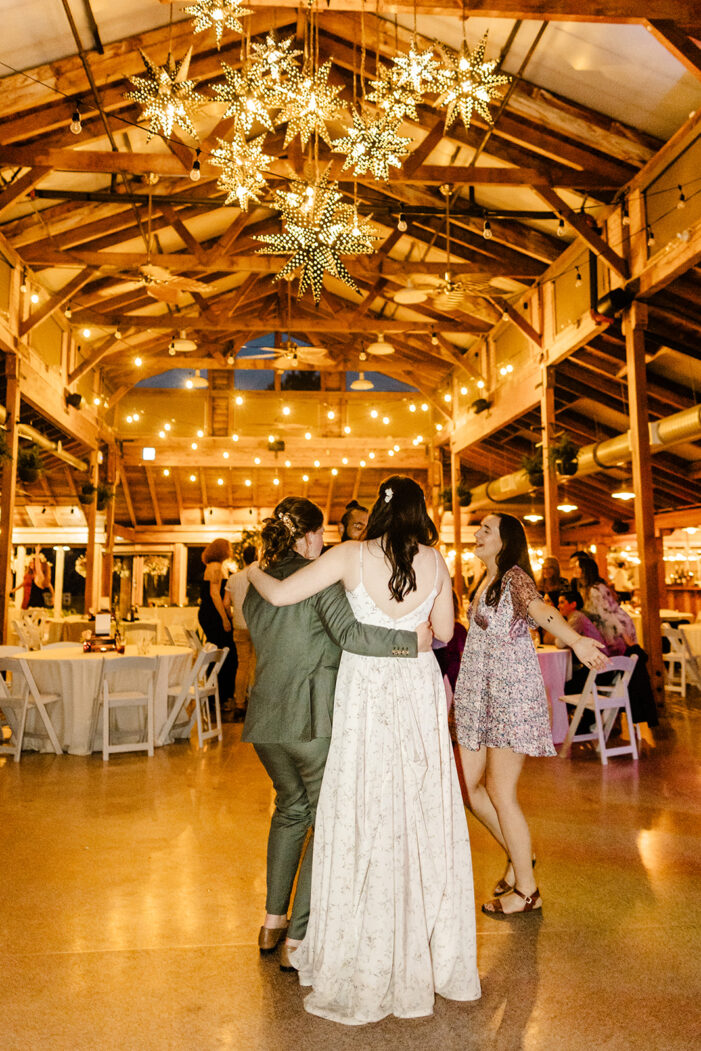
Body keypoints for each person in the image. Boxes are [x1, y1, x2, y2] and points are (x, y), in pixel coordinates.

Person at [248, 476, 480, 1025]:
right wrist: (412, 626)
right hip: (416, 687)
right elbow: (444, 632)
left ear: (377, 509)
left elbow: (279, 595)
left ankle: (350, 940)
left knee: (361, 805)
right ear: (420, 513)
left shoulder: (349, 554)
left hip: (366, 691)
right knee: (417, 807)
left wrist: (253, 569)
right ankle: (427, 948)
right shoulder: (436, 560)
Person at [242, 496, 429, 973]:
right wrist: (409, 642)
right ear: (307, 536)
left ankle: (272, 922)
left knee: (290, 810)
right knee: (326, 822)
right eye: (321, 533)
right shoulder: (317, 579)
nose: (323, 542)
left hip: (266, 722)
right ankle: (299, 939)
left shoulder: (258, 586)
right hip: (312, 720)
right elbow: (351, 636)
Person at [452, 514, 607, 918]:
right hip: (480, 694)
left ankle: (526, 890)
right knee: (469, 789)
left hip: (510, 695)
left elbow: (542, 611)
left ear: (505, 541)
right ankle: (520, 855)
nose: (477, 534)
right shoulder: (484, 579)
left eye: (486, 530)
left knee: (500, 791)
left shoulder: (515, 577)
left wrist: (576, 640)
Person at [198, 538, 236, 719]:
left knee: (218, 652)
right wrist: (225, 618)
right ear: (223, 550)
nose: (231, 550)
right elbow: (214, 594)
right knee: (225, 653)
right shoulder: (215, 567)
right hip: (213, 615)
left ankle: (216, 696)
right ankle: (219, 696)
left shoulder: (214, 566)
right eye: (229, 548)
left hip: (209, 613)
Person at [569, 553, 637, 655]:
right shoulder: (585, 588)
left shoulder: (595, 590)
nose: (574, 569)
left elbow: (608, 616)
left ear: (585, 570)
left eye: (577, 567)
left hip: (612, 631)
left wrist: (626, 638)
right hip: (606, 629)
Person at [224, 544, 257, 721]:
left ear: (243, 558)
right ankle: (255, 702)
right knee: (256, 665)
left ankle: (239, 703)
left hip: (239, 626)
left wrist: (232, 616)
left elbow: (225, 603)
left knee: (242, 665)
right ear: (256, 557)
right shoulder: (258, 576)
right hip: (257, 626)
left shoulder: (233, 578)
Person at [555, 590, 606, 694]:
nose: (558, 606)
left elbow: (560, 643)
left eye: (562, 602)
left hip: (598, 669)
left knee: (560, 685)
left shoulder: (576, 618)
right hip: (595, 665)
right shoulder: (577, 617)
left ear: (573, 604)